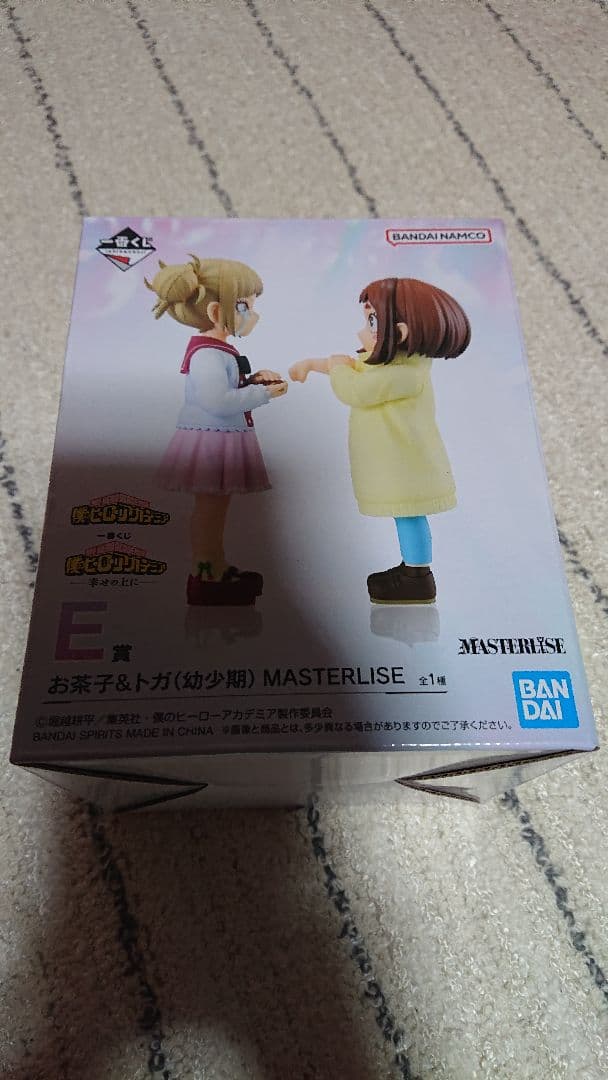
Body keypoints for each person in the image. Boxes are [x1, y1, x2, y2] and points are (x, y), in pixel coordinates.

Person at [289, 276, 470, 603]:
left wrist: (337, 368)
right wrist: (315, 365)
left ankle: (417, 576)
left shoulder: (406, 374)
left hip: (406, 465)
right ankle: (411, 567)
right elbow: (356, 367)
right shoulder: (393, 365)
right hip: (397, 462)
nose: (363, 330)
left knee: (409, 514)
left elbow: (356, 389)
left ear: (400, 332)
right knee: (405, 515)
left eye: (372, 321)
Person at [146, 255, 287, 605]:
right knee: (210, 511)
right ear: (214, 311)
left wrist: (253, 381)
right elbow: (217, 401)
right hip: (212, 442)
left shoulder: (218, 351)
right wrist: (263, 394)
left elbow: (225, 391)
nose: (251, 315)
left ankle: (214, 568)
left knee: (214, 510)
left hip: (218, 437)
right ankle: (207, 575)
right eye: (244, 307)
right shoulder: (207, 355)